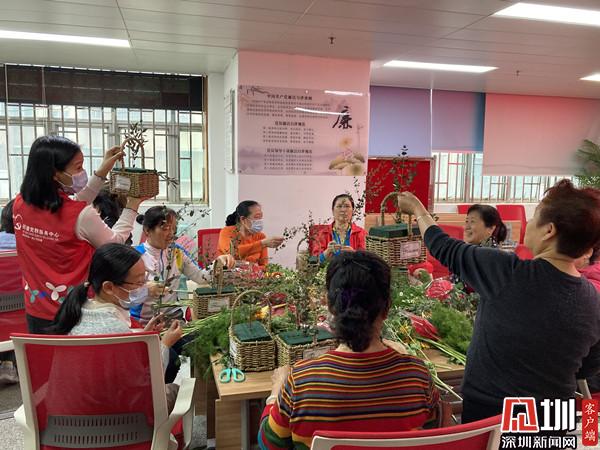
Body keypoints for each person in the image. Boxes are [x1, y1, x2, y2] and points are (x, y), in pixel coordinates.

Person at [398, 180, 600, 423]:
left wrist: (417, 209)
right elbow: (587, 368)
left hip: (491, 419)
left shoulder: (507, 272)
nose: (530, 223)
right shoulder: (593, 301)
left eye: (535, 216)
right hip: (553, 421)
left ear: (549, 231)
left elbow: (443, 246)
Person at [258, 251, 439, 449]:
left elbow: (269, 444)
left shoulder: (302, 381)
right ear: (387, 307)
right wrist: (406, 364)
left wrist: (275, 393)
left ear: (329, 305)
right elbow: (431, 432)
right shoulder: (418, 376)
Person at [13, 135, 146, 333]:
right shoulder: (81, 215)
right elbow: (115, 244)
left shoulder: (20, 203)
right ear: (55, 173)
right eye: (78, 167)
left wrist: (102, 171)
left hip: (36, 307)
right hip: (73, 313)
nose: (82, 172)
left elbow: (76, 203)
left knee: (43, 353)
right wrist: (132, 206)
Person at [46, 243, 182, 409]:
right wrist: (165, 344)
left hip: (67, 411)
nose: (144, 288)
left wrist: (142, 336)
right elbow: (144, 384)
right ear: (109, 287)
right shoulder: (115, 329)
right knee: (176, 390)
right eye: (139, 283)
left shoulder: (77, 312)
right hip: (110, 416)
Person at [131, 206, 235, 326]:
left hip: (173, 320)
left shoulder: (177, 253)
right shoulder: (135, 257)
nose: (171, 234)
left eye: (174, 230)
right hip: (144, 324)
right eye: (165, 229)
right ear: (147, 230)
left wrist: (218, 263)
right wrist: (145, 291)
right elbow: (123, 299)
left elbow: (201, 277)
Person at [217, 200, 283, 266]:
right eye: (257, 217)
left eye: (261, 217)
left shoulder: (260, 236)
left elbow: (264, 265)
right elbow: (233, 253)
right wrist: (262, 244)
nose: (260, 221)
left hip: (253, 272)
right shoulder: (227, 231)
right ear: (243, 219)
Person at [311, 194, 366, 263]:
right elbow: (313, 260)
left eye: (347, 206)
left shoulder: (361, 233)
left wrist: (354, 254)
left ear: (353, 211)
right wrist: (326, 253)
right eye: (339, 206)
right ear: (333, 211)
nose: (343, 210)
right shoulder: (321, 234)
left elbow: (367, 260)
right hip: (329, 269)